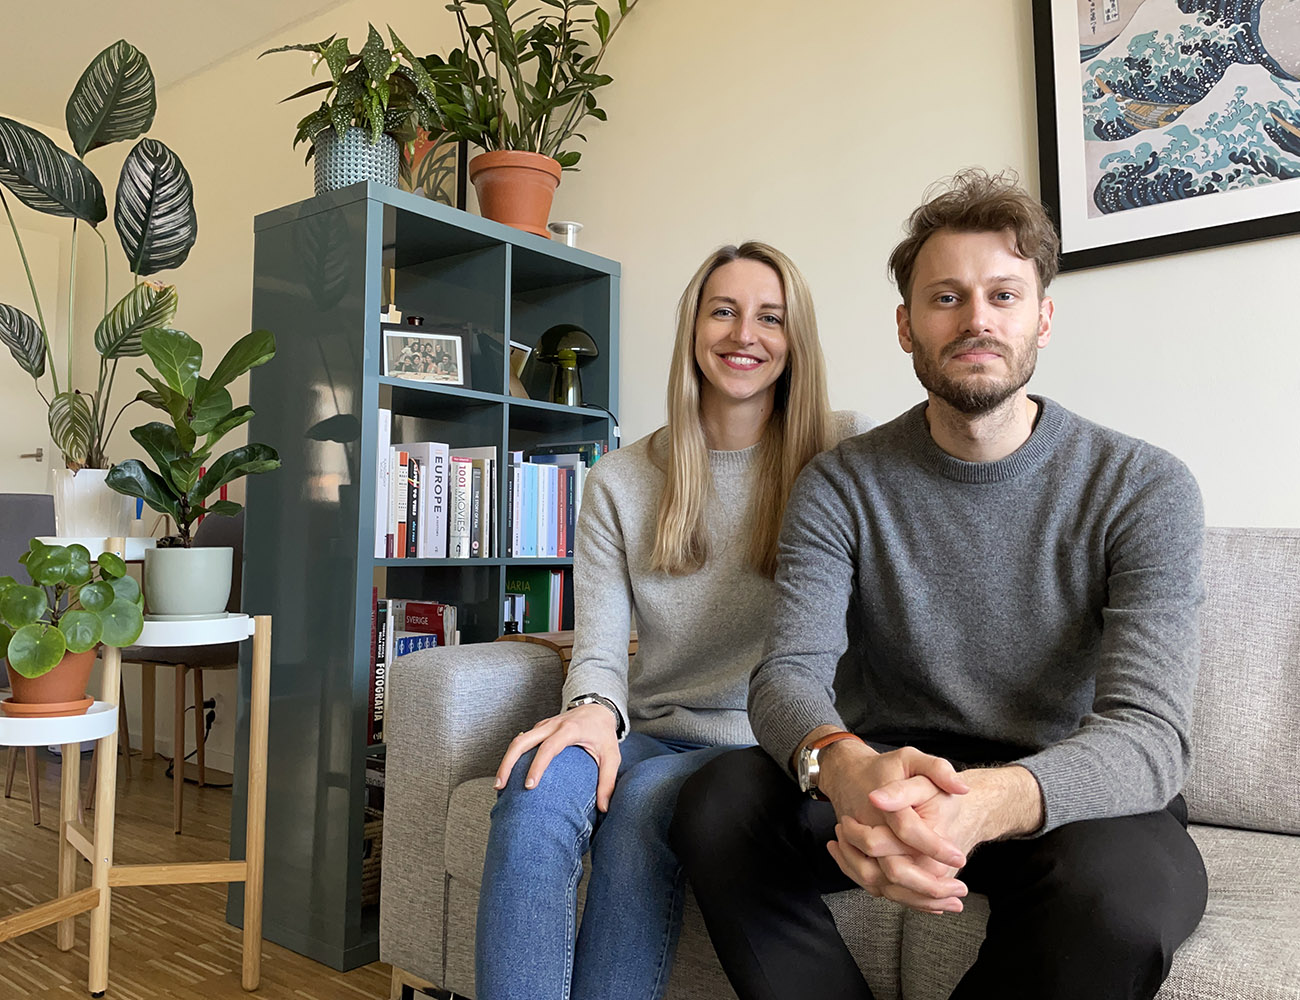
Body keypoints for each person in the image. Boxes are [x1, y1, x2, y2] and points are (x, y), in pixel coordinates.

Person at [670, 170, 1208, 1000]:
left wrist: (985, 804)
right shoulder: (841, 483)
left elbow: (1149, 734)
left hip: (1068, 793)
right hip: (892, 770)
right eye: (946, 298)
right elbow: (785, 677)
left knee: (1121, 905)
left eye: (1003, 294)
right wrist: (844, 768)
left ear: (1044, 317)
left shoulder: (1143, 486)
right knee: (717, 805)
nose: (977, 321)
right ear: (906, 326)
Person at [475, 242, 874, 1000]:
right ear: (693, 327)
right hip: (655, 726)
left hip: (770, 742)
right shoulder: (620, 479)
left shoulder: (843, 450)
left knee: (639, 812)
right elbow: (596, 650)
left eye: (769, 318)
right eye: (721, 311)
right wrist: (591, 713)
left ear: (796, 342)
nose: (742, 334)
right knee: (532, 792)